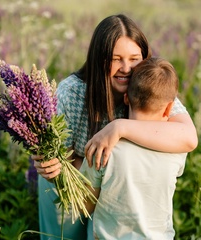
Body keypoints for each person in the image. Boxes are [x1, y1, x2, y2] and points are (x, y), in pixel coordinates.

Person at [32, 14, 198, 240]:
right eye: (116, 58)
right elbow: (64, 158)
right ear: (98, 59)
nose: (127, 68)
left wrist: (119, 127)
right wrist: (51, 165)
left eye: (134, 58)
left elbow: (188, 137)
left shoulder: (147, 87)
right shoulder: (73, 92)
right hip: (71, 179)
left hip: (109, 185)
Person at [80, 57, 188, 239]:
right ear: (169, 108)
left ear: (126, 99)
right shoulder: (177, 150)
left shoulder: (104, 149)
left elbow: (84, 205)